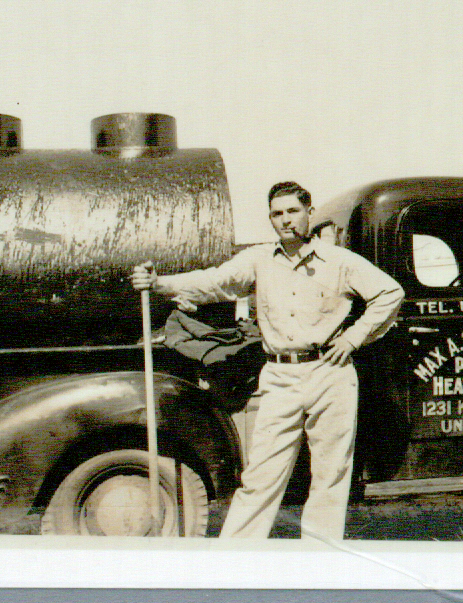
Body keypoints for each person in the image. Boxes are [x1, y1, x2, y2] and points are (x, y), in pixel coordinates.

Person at [131, 181, 404, 540]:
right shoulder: (257, 259)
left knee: (330, 475)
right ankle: (238, 558)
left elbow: (390, 292)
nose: (286, 220)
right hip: (279, 377)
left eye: (293, 211)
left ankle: (319, 558)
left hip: (330, 374)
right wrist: (160, 283)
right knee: (261, 474)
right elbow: (215, 282)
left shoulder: (340, 261)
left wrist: (354, 338)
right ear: (270, 219)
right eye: (277, 213)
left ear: (309, 212)